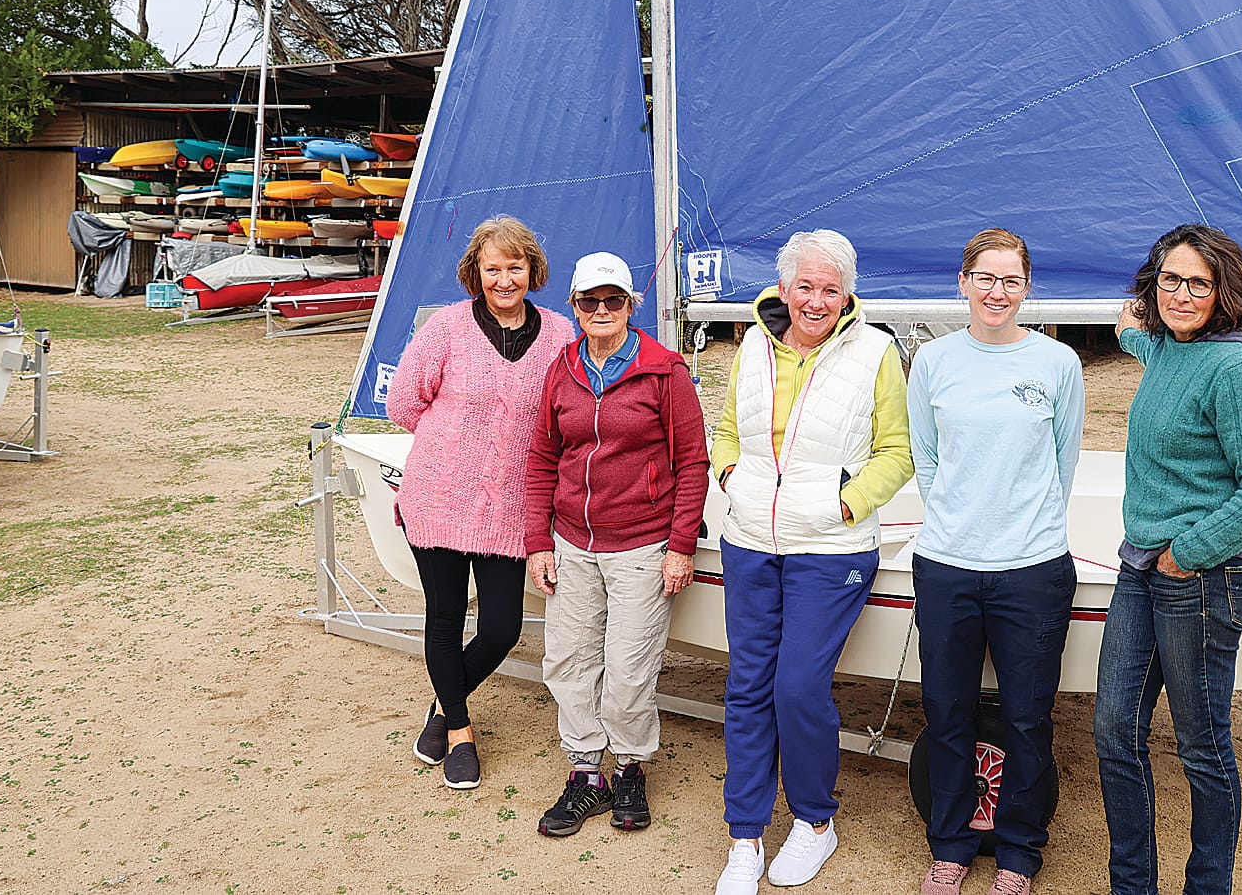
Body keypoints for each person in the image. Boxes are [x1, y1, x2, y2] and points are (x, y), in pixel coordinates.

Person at [709, 229, 914, 895]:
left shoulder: (877, 350)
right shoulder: (752, 343)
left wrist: (846, 506)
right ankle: (743, 838)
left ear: (848, 292)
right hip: (748, 539)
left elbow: (897, 451)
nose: (816, 301)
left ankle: (814, 824)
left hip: (829, 548)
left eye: (830, 289)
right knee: (745, 688)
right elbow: (728, 429)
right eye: (805, 286)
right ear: (785, 286)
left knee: (795, 688)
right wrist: (730, 475)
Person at [1095, 223, 1242, 895]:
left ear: (1223, 291)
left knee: (1201, 752)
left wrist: (1187, 554)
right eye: (1168, 279)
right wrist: (1129, 330)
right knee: (1113, 734)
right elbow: (1156, 350)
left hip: (1200, 579)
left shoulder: (1236, 368)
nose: (1180, 294)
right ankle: (1133, 887)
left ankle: (1207, 887)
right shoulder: (1172, 349)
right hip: (1138, 569)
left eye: (1197, 283)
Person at [908, 228, 1085, 895]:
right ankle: (950, 846)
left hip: (1032, 566)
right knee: (947, 711)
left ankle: (1016, 854)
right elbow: (926, 457)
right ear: (962, 282)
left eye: (1010, 280)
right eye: (985, 277)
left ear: (1026, 288)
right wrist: (959, 517)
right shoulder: (933, 361)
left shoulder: (1056, 363)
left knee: (1025, 718)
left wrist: (1019, 526)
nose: (996, 291)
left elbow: (1061, 461)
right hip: (947, 562)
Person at [384, 216, 575, 791]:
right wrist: (456, 447)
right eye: (492, 268)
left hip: (512, 509)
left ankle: (442, 705)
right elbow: (403, 404)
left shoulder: (562, 334)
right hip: (439, 497)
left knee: (500, 629)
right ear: (476, 272)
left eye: (515, 267)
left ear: (532, 270)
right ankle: (461, 731)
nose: (504, 279)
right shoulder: (445, 328)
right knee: (443, 620)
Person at [523, 252, 710, 839]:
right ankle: (586, 774)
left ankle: (628, 766)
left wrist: (680, 544)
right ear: (574, 307)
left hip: (642, 545)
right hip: (571, 541)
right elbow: (541, 458)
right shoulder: (562, 367)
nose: (601, 311)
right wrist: (538, 542)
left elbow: (692, 462)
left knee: (629, 671)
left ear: (632, 305)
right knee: (569, 661)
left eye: (614, 301)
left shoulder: (664, 372)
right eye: (588, 302)